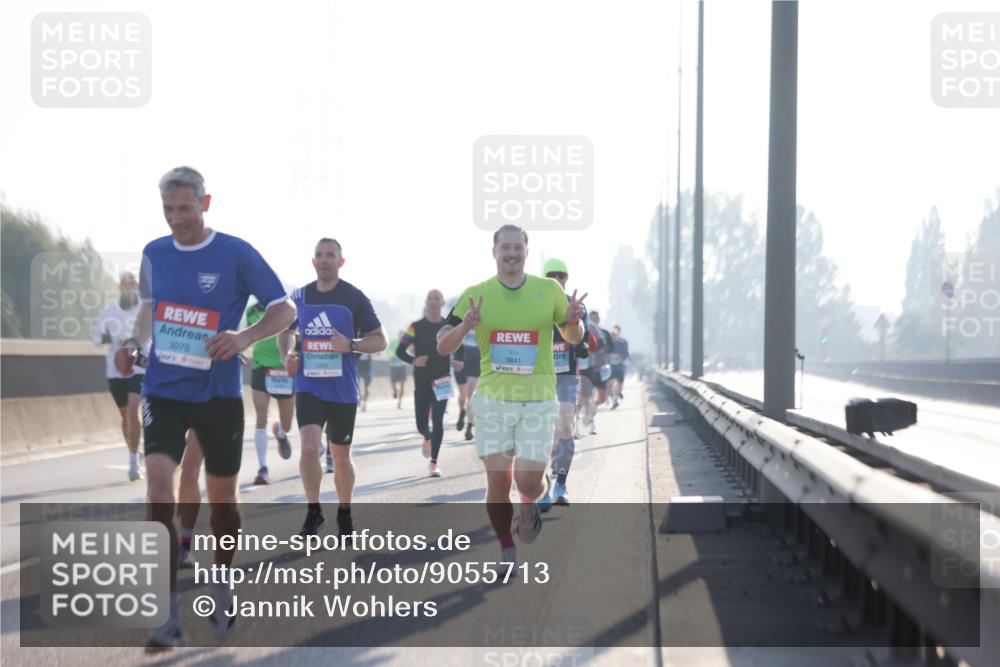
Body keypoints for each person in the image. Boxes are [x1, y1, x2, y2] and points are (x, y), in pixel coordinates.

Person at [117, 166, 295, 651]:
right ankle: (166, 611)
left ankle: (221, 581)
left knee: (224, 505)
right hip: (163, 389)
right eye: (168, 210)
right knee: (159, 487)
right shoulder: (155, 252)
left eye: (185, 209)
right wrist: (133, 342)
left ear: (205, 203)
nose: (176, 219)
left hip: (217, 396)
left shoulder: (235, 252)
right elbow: (149, 308)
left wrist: (244, 336)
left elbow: (285, 309)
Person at [437, 224, 585, 567]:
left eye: (518, 247)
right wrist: (465, 325)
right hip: (493, 401)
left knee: (528, 482)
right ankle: (506, 547)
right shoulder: (476, 294)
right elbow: (443, 344)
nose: (512, 253)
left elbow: (573, 337)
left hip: (537, 400)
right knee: (498, 481)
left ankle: (529, 503)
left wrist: (572, 321)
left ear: (526, 252)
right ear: (494, 252)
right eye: (505, 247)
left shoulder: (549, 290)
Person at [279, 238, 386, 538]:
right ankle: (313, 513)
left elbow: (380, 340)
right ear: (313, 261)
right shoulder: (299, 297)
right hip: (309, 385)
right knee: (309, 447)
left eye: (330, 255)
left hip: (342, 389)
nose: (324, 260)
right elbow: (284, 332)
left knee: (340, 455)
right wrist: (286, 356)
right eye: (319, 255)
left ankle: (344, 512)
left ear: (341, 262)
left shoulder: (354, 298)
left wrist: (351, 345)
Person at [536, 258, 588, 511]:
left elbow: (582, 335)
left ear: (566, 279)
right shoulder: (534, 303)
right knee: (540, 434)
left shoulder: (575, 304)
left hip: (566, 375)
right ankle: (543, 486)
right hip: (539, 377)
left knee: (566, 425)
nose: (557, 279)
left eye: (561, 275)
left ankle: (561, 485)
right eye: (551, 275)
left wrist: (582, 343)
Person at [92, 271, 148, 481]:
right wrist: (109, 338)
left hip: (138, 366)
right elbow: (95, 336)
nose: (129, 287)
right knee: (125, 416)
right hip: (116, 368)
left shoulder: (144, 310)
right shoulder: (108, 310)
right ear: (120, 288)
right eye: (125, 284)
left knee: (133, 411)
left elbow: (152, 333)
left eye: (133, 284)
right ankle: (134, 451)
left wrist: (137, 342)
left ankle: (133, 464)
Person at [396, 290, 452, 477]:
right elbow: (399, 351)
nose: (433, 302)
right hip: (422, 380)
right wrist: (414, 360)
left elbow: (458, 347)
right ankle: (427, 436)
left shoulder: (448, 326)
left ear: (443, 303)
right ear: (426, 302)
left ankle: (434, 463)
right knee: (421, 424)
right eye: (430, 298)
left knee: (438, 420)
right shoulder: (415, 327)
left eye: (437, 299)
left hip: (443, 379)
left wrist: (457, 360)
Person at [245, 299, 295, 484]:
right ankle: (262, 469)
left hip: (283, 369)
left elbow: (293, 334)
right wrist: (243, 351)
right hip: (260, 367)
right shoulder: (251, 311)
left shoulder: (287, 308)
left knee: (287, 425)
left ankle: (280, 432)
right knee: (261, 418)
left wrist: (290, 357)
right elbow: (248, 334)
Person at [585, 310, 615, 434]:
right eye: (591, 318)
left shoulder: (603, 332)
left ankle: (589, 410)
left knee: (601, 399)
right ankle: (591, 422)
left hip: (601, 367)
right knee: (588, 396)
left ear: (599, 319)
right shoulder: (583, 328)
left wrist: (599, 349)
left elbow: (610, 347)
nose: (593, 321)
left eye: (595, 319)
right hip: (587, 367)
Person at [452, 316, 480, 441]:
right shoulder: (461, 325)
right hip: (460, 362)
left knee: (471, 396)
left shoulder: (483, 327)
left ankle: (469, 427)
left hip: (474, 363)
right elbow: (453, 343)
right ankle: (461, 411)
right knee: (462, 396)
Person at [608, 324, 631, 409]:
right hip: (610, 366)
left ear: (619, 333)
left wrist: (620, 357)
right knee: (610, 383)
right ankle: (614, 400)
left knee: (619, 383)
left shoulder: (622, 343)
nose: (614, 335)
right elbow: (604, 353)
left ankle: (617, 394)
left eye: (616, 333)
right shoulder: (608, 343)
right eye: (613, 334)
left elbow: (626, 354)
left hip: (620, 365)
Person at [386, 331, 408, 409]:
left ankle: (399, 402)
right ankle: (395, 390)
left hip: (402, 367)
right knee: (393, 383)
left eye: (403, 335)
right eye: (400, 335)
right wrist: (392, 355)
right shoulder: (394, 342)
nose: (401, 337)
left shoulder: (406, 343)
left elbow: (409, 351)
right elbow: (388, 351)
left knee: (402, 385)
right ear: (398, 336)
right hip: (393, 366)